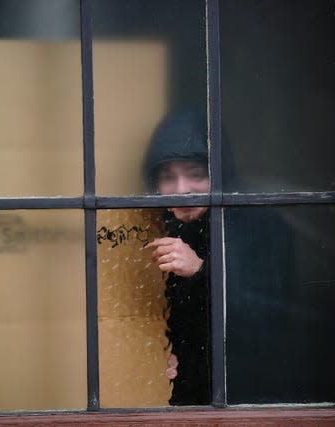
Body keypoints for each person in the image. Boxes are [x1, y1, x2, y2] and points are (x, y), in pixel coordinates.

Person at [143, 108, 211, 406]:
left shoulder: (259, 228)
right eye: (168, 177)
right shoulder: (152, 225)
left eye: (196, 174)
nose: (182, 190)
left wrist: (200, 270)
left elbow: (277, 321)